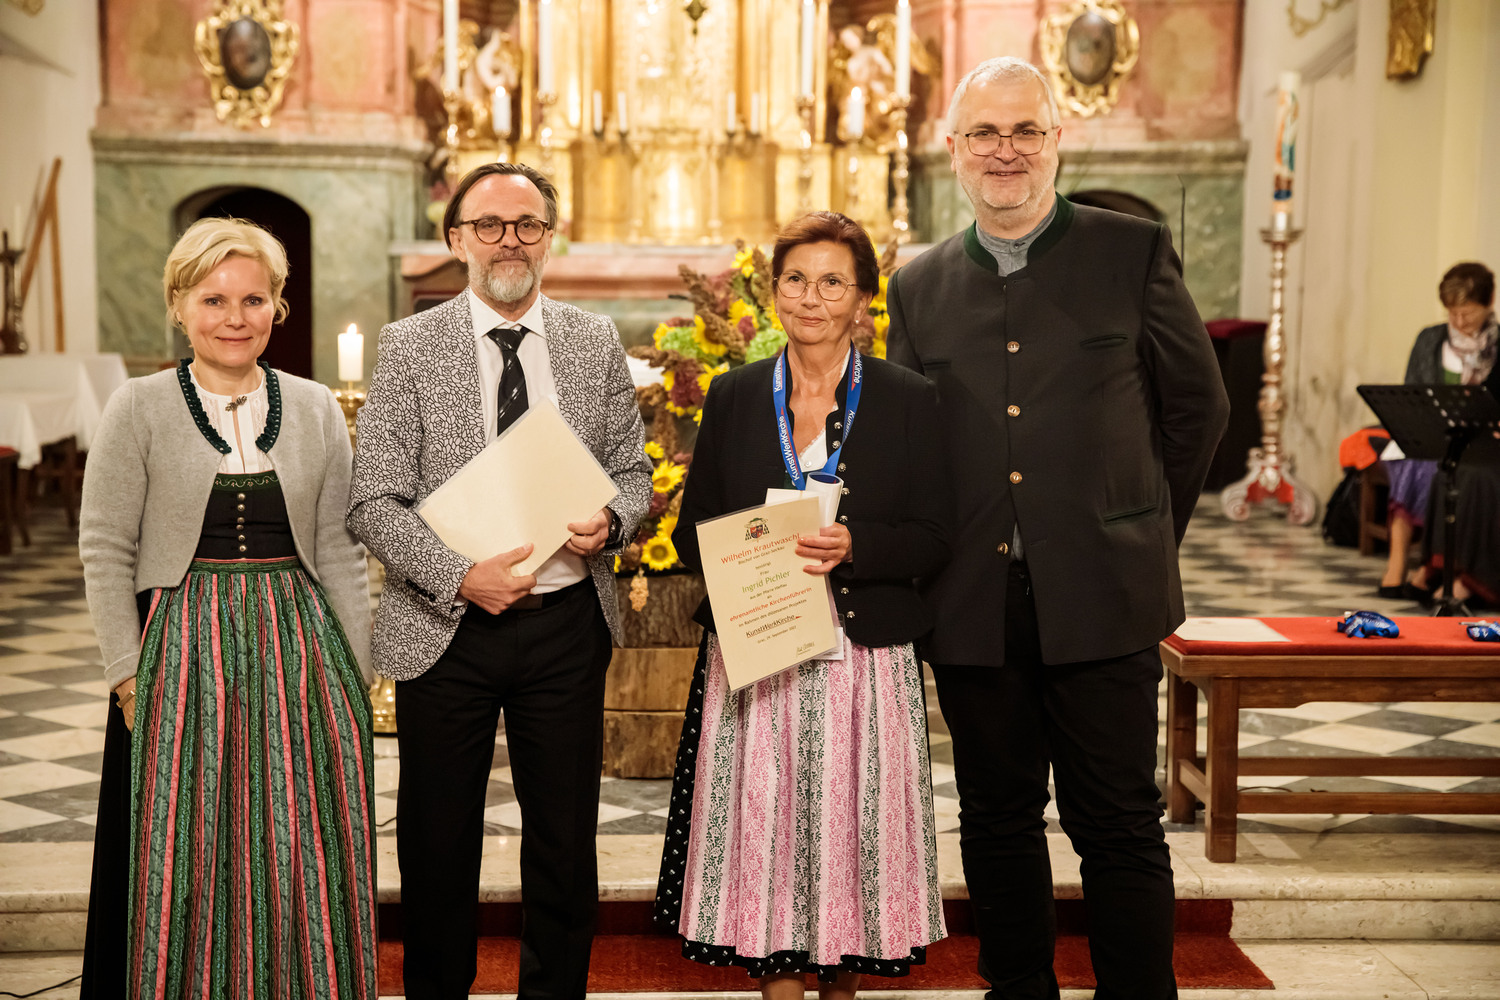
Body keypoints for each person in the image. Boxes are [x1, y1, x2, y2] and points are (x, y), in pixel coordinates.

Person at [885, 57, 1229, 999]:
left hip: (1107, 594)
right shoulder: (918, 286)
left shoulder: (1131, 251)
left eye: (1025, 131)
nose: (1006, 151)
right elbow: (909, 445)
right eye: (985, 134)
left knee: (1116, 820)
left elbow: (1197, 410)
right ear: (953, 149)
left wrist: (1138, 528)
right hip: (972, 601)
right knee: (997, 819)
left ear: (1056, 140)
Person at [347, 161, 652, 999]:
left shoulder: (593, 340)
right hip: (445, 631)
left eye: (527, 224)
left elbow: (632, 474)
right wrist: (458, 576)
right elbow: (372, 500)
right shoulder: (410, 346)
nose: (508, 240)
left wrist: (613, 522)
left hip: (565, 626)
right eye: (489, 225)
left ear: (551, 237)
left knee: (564, 843)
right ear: (457, 240)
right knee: (438, 843)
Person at [78, 217, 377, 998]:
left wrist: (357, 673)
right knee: (188, 846)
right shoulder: (137, 407)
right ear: (179, 306)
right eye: (213, 300)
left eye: (253, 299)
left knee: (297, 843)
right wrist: (126, 674)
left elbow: (340, 548)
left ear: (277, 306)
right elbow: (104, 547)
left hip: (298, 652)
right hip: (184, 651)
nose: (234, 318)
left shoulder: (314, 406)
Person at [655, 211, 952, 997]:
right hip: (759, 653)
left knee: (848, 848)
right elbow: (690, 534)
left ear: (863, 299)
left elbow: (934, 537)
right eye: (795, 279)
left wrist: (857, 544)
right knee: (770, 853)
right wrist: (750, 549)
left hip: (863, 662)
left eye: (831, 283)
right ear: (773, 289)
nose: (810, 298)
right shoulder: (734, 395)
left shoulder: (907, 397)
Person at [1377, 262, 1498, 604]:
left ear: (1489, 303)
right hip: (1431, 428)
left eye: (1467, 313)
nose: (1459, 321)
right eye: (1452, 313)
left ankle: (1440, 569)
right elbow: (1412, 392)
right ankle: (1400, 563)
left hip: (1475, 438)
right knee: (1414, 458)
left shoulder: (1496, 346)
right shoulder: (1430, 339)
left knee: (1455, 470)